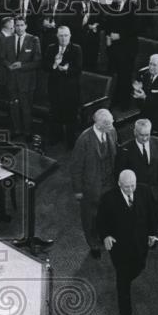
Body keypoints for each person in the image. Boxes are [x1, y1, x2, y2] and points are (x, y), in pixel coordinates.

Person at [97, 170, 158, 315]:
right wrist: (105, 236)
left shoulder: (144, 191)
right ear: (119, 184)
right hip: (120, 248)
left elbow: (153, 214)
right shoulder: (108, 199)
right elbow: (100, 221)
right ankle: (125, 314)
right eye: (126, 187)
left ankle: (129, 277)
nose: (130, 190)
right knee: (123, 281)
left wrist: (154, 234)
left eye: (133, 185)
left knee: (139, 267)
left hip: (140, 244)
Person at [71, 109, 119, 259]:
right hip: (90, 187)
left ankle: (106, 238)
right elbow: (76, 167)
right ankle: (93, 244)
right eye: (108, 124)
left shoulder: (112, 131)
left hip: (109, 183)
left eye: (112, 123)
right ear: (98, 125)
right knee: (90, 218)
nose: (111, 127)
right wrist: (78, 190)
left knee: (108, 214)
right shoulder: (84, 140)